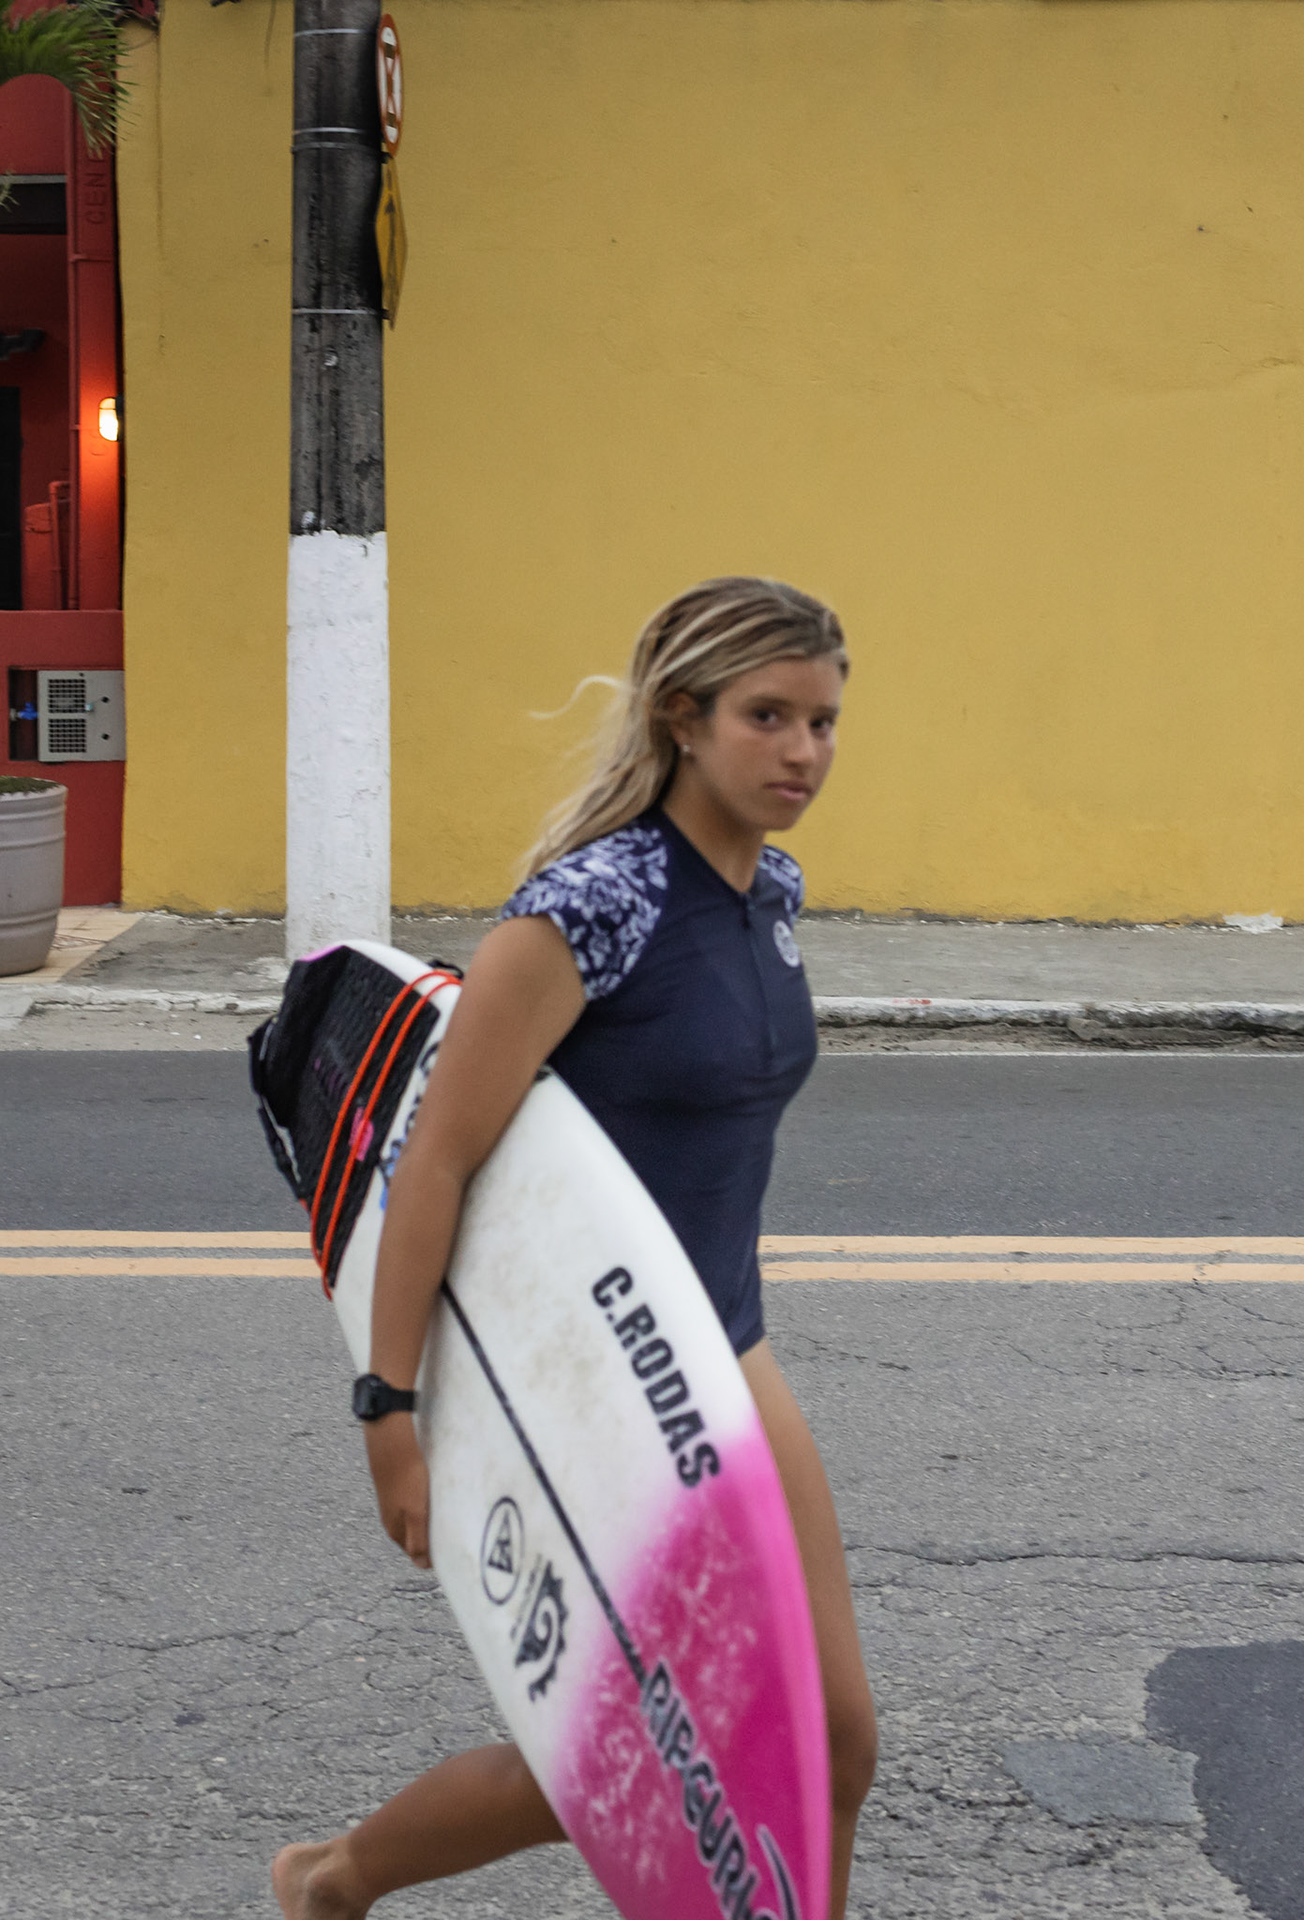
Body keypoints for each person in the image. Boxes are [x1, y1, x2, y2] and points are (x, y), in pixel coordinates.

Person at [273, 577, 876, 1920]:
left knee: (832, 1738)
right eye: (767, 717)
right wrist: (389, 1408)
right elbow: (437, 1156)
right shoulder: (585, 911)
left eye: (825, 722)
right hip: (600, 1388)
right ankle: (335, 1878)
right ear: (683, 717)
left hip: (729, 1348)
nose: (802, 754)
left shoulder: (771, 892)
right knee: (624, 1764)